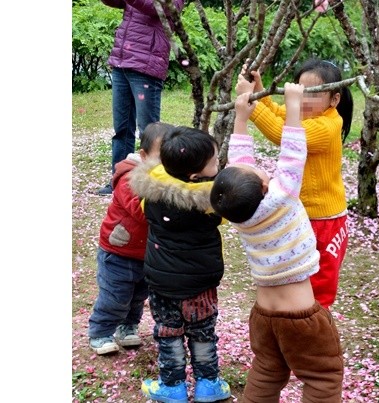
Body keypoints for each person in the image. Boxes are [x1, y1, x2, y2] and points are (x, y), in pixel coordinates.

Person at [210, 83, 344, 402]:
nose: (255, 164)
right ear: (265, 184)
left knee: (268, 371)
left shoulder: (240, 215)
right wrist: (294, 106)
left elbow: (240, 163)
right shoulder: (282, 196)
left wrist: (242, 117)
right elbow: (293, 153)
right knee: (323, 377)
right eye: (257, 170)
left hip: (263, 316)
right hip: (301, 317)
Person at [236, 58, 354, 310]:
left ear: (334, 100)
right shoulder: (308, 115)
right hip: (305, 214)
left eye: (311, 94)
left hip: (323, 218)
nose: (301, 101)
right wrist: (258, 91)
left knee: (319, 283)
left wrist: (250, 108)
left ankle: (318, 323)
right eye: (299, 91)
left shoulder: (327, 125)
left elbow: (283, 134)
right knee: (299, 274)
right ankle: (301, 319)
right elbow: (281, 112)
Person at [129, 125, 231, 403]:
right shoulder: (212, 204)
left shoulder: (151, 196)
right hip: (201, 284)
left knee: (168, 332)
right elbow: (226, 213)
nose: (218, 164)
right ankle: (208, 384)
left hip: (162, 283)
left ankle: (173, 386)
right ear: (196, 175)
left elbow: (151, 190)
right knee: (202, 332)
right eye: (214, 161)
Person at [88, 122, 166, 355]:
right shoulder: (129, 176)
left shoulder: (167, 179)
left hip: (146, 253)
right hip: (118, 250)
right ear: (144, 155)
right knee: (115, 295)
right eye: (161, 157)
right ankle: (100, 332)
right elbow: (140, 210)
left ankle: (128, 327)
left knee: (139, 295)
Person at [96, 0, 185, 195]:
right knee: (121, 129)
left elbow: (161, 8)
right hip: (122, 61)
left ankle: (152, 184)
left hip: (147, 65)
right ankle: (118, 182)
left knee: (149, 132)